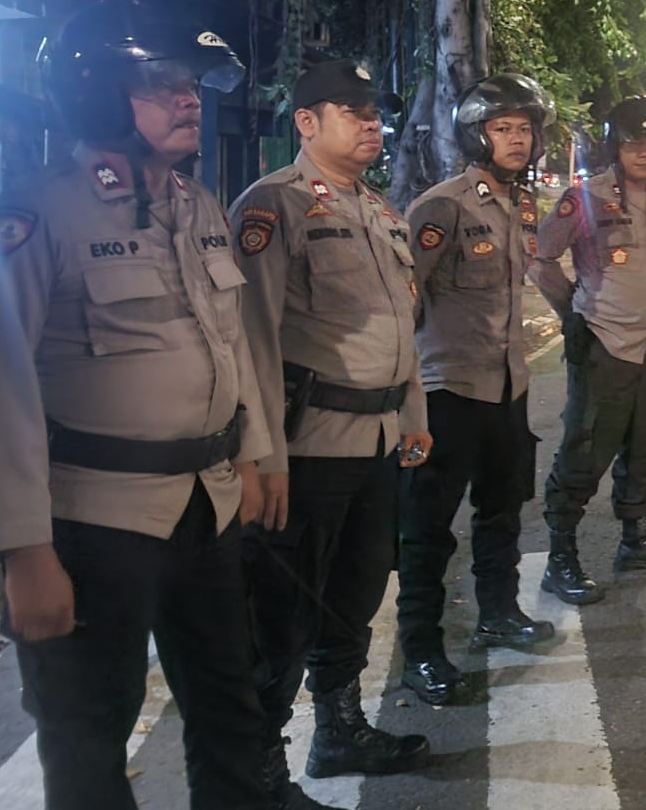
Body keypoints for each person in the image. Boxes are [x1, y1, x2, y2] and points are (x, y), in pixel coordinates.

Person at [0, 0, 338, 810]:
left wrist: (254, 453)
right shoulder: (37, 215)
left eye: (191, 84)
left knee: (230, 709)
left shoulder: (196, 205)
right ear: (96, 92)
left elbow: (231, 341)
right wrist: (24, 553)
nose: (187, 99)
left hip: (206, 508)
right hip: (94, 521)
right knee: (89, 735)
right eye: (162, 83)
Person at [231, 59, 435, 797]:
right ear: (307, 122)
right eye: (353, 112)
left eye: (375, 113)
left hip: (376, 443)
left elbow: (401, 327)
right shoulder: (272, 206)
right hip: (307, 448)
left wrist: (413, 414)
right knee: (281, 614)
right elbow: (250, 338)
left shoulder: (380, 210)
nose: (372, 125)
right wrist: (263, 456)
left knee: (354, 595)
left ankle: (339, 731)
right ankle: (260, 772)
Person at [396, 74, 557, 707]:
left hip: (507, 387)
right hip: (449, 391)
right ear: (476, 135)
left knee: (502, 509)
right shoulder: (444, 206)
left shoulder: (521, 205)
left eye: (524, 129)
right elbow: (404, 300)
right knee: (428, 528)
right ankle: (421, 651)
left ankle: (498, 613)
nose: (516, 140)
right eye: (502, 128)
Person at [529, 96, 646, 604]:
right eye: (634, 144)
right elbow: (540, 256)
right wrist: (572, 312)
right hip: (605, 345)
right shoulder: (584, 198)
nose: (645, 154)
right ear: (613, 147)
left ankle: (636, 539)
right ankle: (561, 557)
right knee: (585, 452)